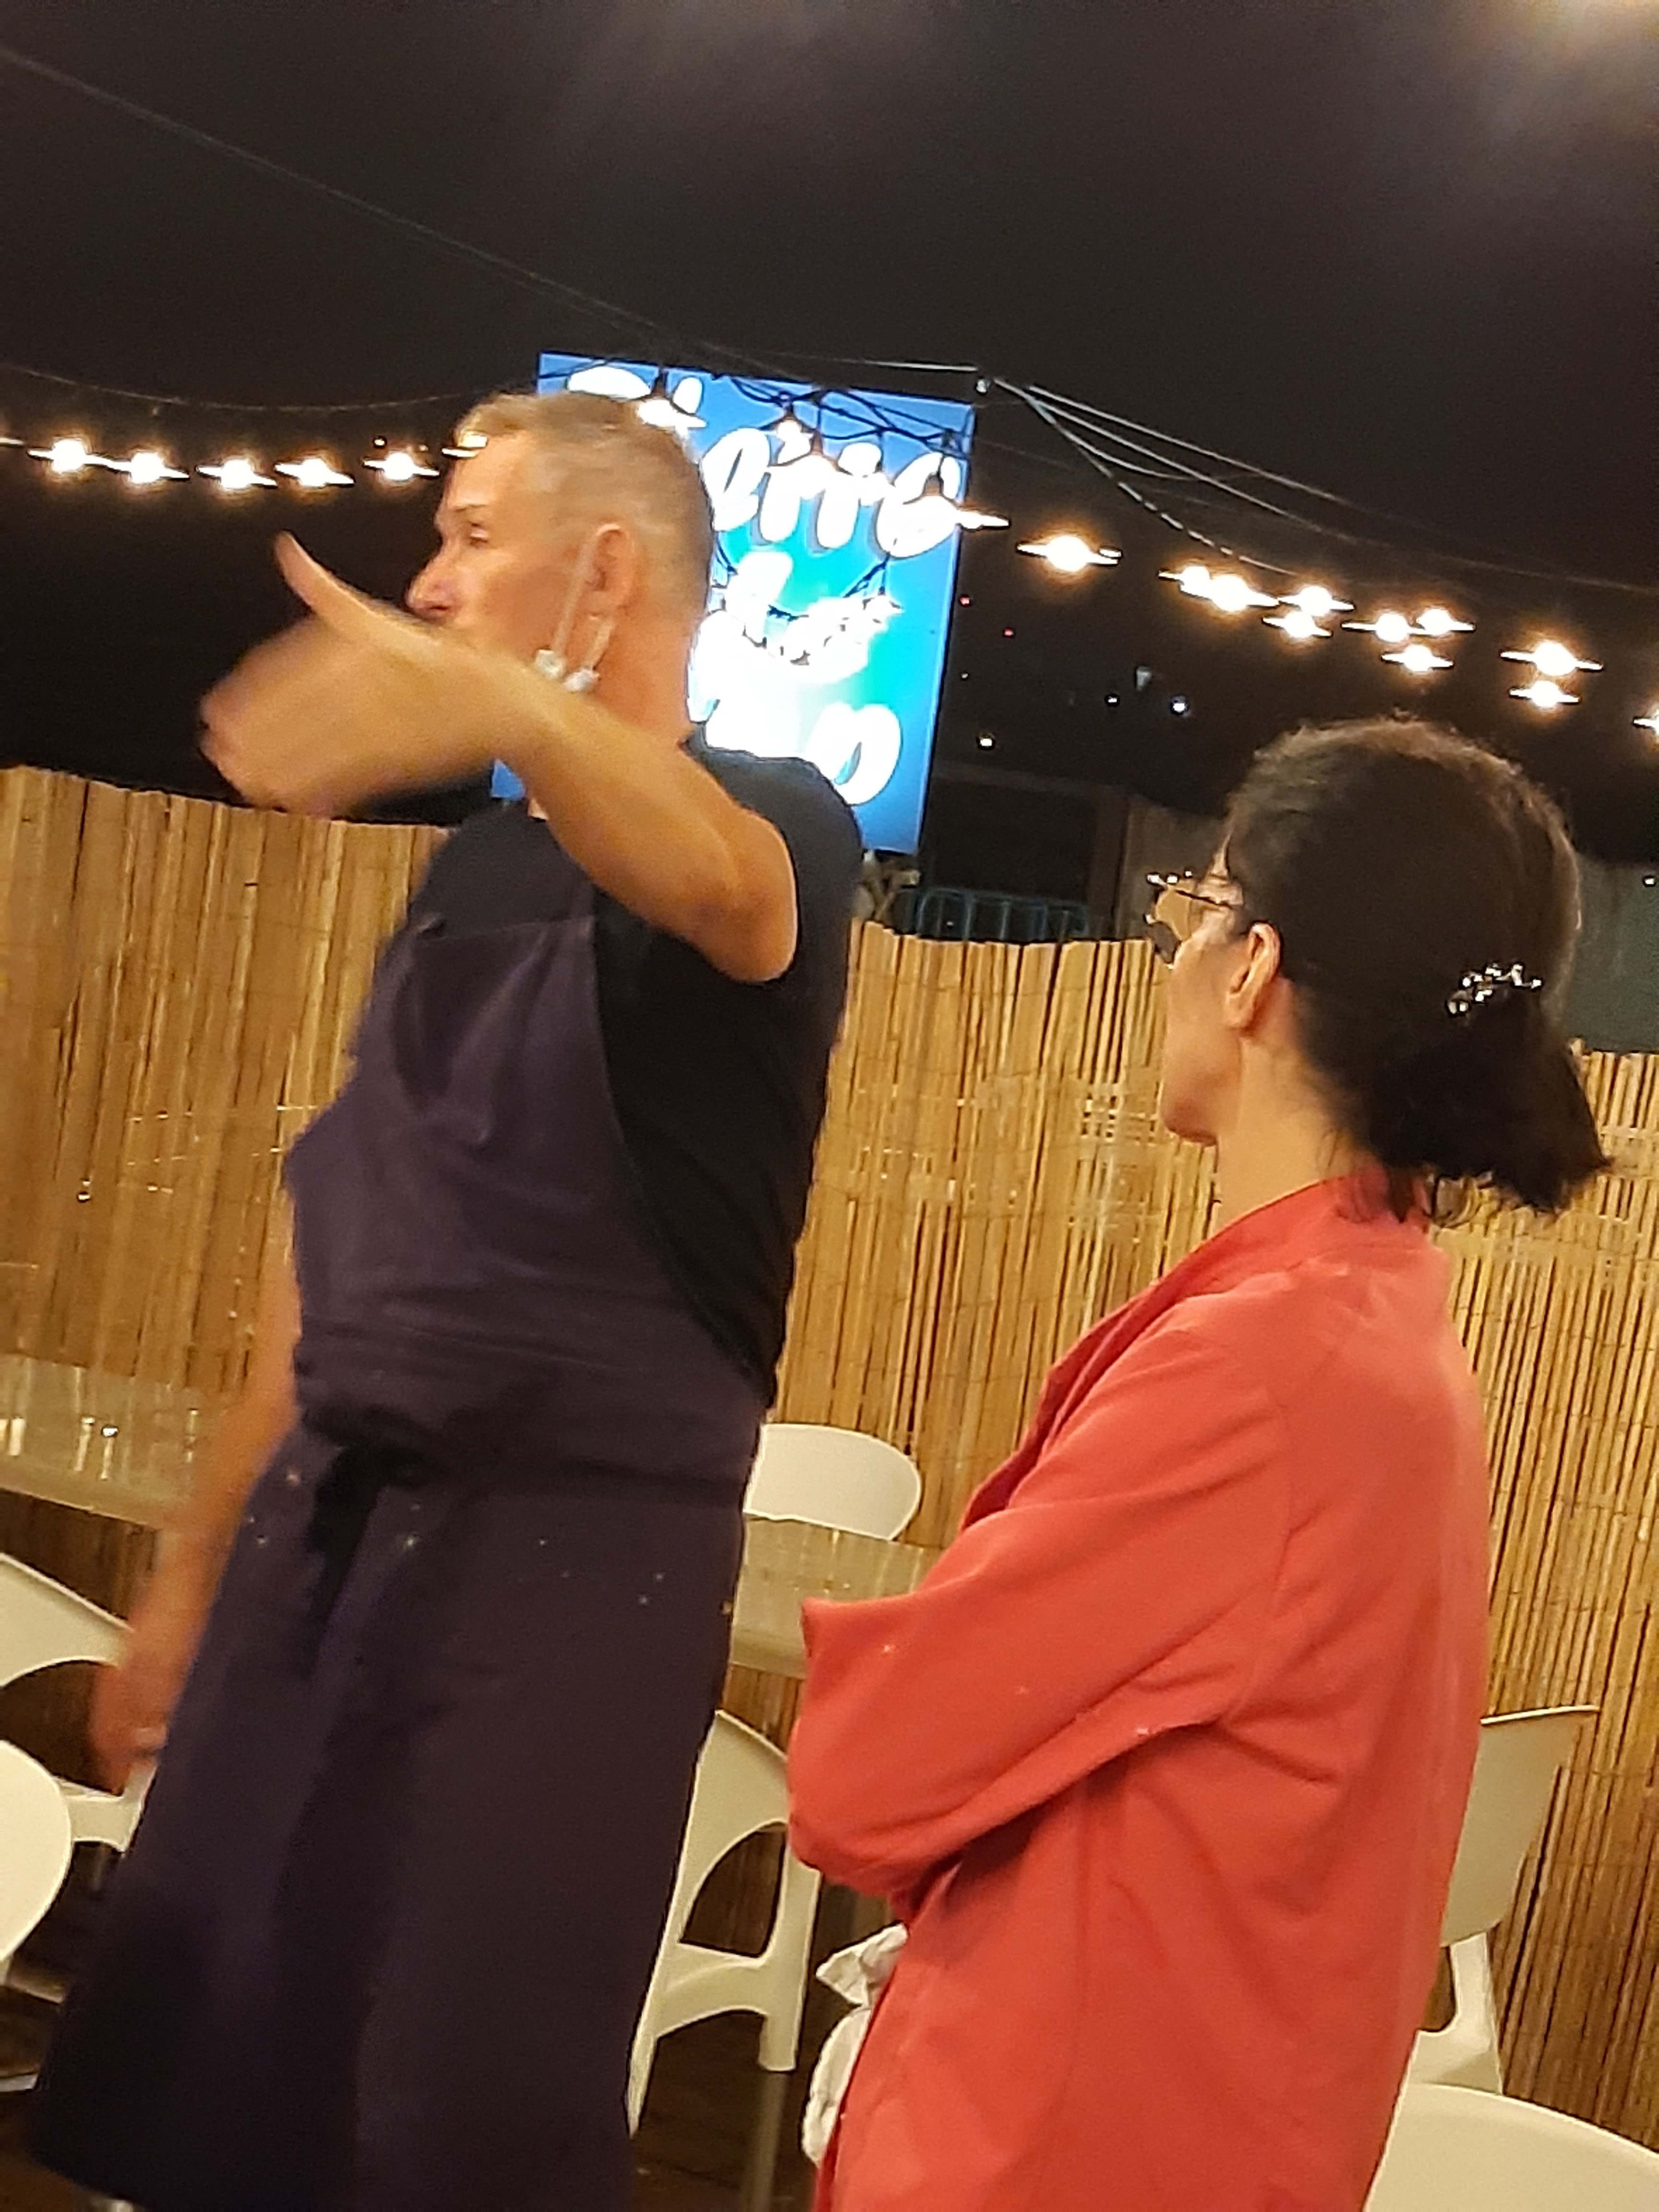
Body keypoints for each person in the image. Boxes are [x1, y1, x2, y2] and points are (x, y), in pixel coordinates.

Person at [30, 391, 863, 2212]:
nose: (428, 581)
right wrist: (192, 1569)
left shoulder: (777, 822)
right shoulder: (473, 873)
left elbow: (725, 890)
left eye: (475, 536)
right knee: (213, 2063)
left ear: (607, 571)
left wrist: (501, 703)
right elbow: (339, 1237)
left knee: (451, 2110)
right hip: (321, 1548)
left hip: (569, 1582)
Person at [787, 720, 1607, 2212]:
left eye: (1198, 905)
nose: (1170, 949)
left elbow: (865, 1772)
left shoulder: (1264, 1369)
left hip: (1065, 2151)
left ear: (1252, 969)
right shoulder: (1377, 1315)